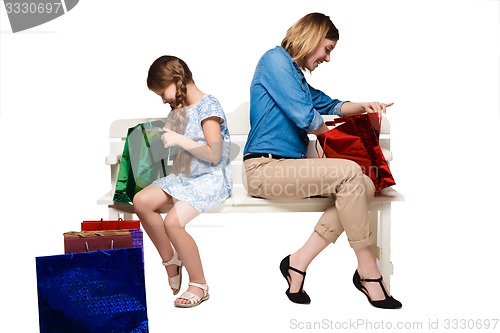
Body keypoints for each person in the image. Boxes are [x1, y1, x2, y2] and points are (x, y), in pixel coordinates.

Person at [243, 13, 402, 309]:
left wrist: (364, 107)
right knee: (353, 174)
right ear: (312, 38)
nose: (327, 58)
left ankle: (298, 261)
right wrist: (332, 133)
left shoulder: (295, 77)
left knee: (364, 184)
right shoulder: (274, 61)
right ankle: (368, 270)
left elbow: (330, 105)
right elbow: (306, 117)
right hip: (264, 170)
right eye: (327, 49)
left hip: (290, 171)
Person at [133, 55, 232, 308]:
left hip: (210, 179)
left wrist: (180, 141)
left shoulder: (209, 106)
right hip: (188, 178)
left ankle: (199, 283)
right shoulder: (182, 110)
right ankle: (171, 261)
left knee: (173, 223)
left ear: (175, 81)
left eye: (161, 92)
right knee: (141, 201)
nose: (163, 99)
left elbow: (214, 154)